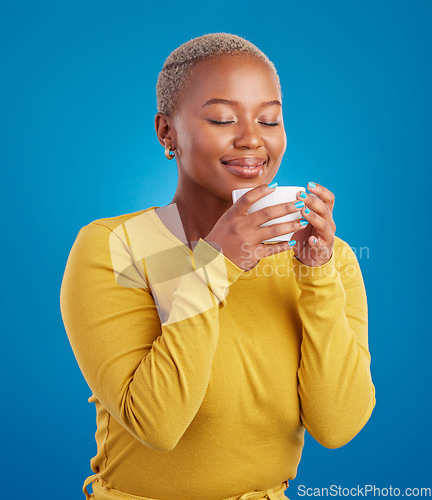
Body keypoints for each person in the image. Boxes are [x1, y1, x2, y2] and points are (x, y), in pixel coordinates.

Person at [60, 33, 376, 500]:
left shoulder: (328, 260)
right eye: (223, 118)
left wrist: (318, 275)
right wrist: (215, 265)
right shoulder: (115, 246)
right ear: (167, 133)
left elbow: (338, 425)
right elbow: (156, 424)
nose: (252, 138)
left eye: (269, 119)